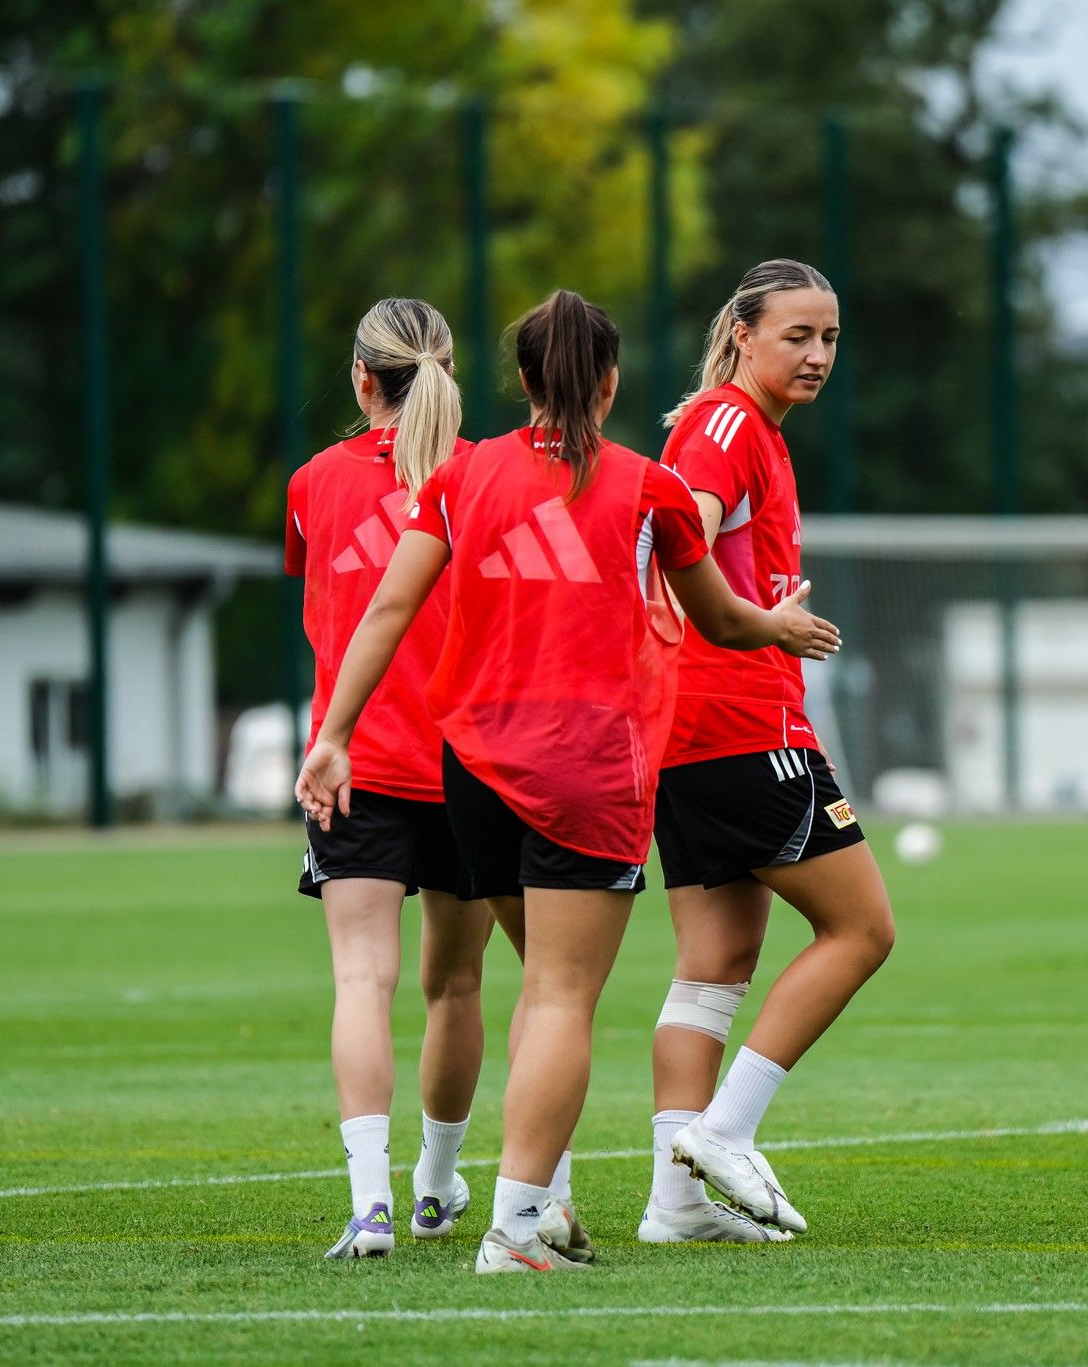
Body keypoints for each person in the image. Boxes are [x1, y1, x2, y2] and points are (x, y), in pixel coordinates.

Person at [297, 290, 841, 1274]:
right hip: (587, 767)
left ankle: (536, 1202)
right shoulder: (647, 485)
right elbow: (719, 619)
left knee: (527, 983)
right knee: (557, 995)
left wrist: (333, 732)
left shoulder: (462, 476)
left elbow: (384, 609)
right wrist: (782, 624)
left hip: (471, 766)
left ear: (520, 379)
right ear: (609, 380)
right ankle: (513, 1229)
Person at [641, 260, 897, 1242]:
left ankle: (676, 1204)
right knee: (862, 929)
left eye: (829, 337)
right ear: (743, 332)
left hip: (688, 734)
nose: (818, 354)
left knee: (713, 963)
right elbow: (678, 543)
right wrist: (764, 624)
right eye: (797, 335)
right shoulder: (725, 426)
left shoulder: (747, 431)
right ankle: (728, 1130)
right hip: (741, 723)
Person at [284, 299, 494, 1258]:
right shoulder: (491, 477)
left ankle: (369, 1206)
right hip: (470, 764)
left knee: (360, 979)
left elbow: (324, 603)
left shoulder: (311, 483)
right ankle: (439, 1186)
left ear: (361, 377)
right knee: (455, 986)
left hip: (356, 759)